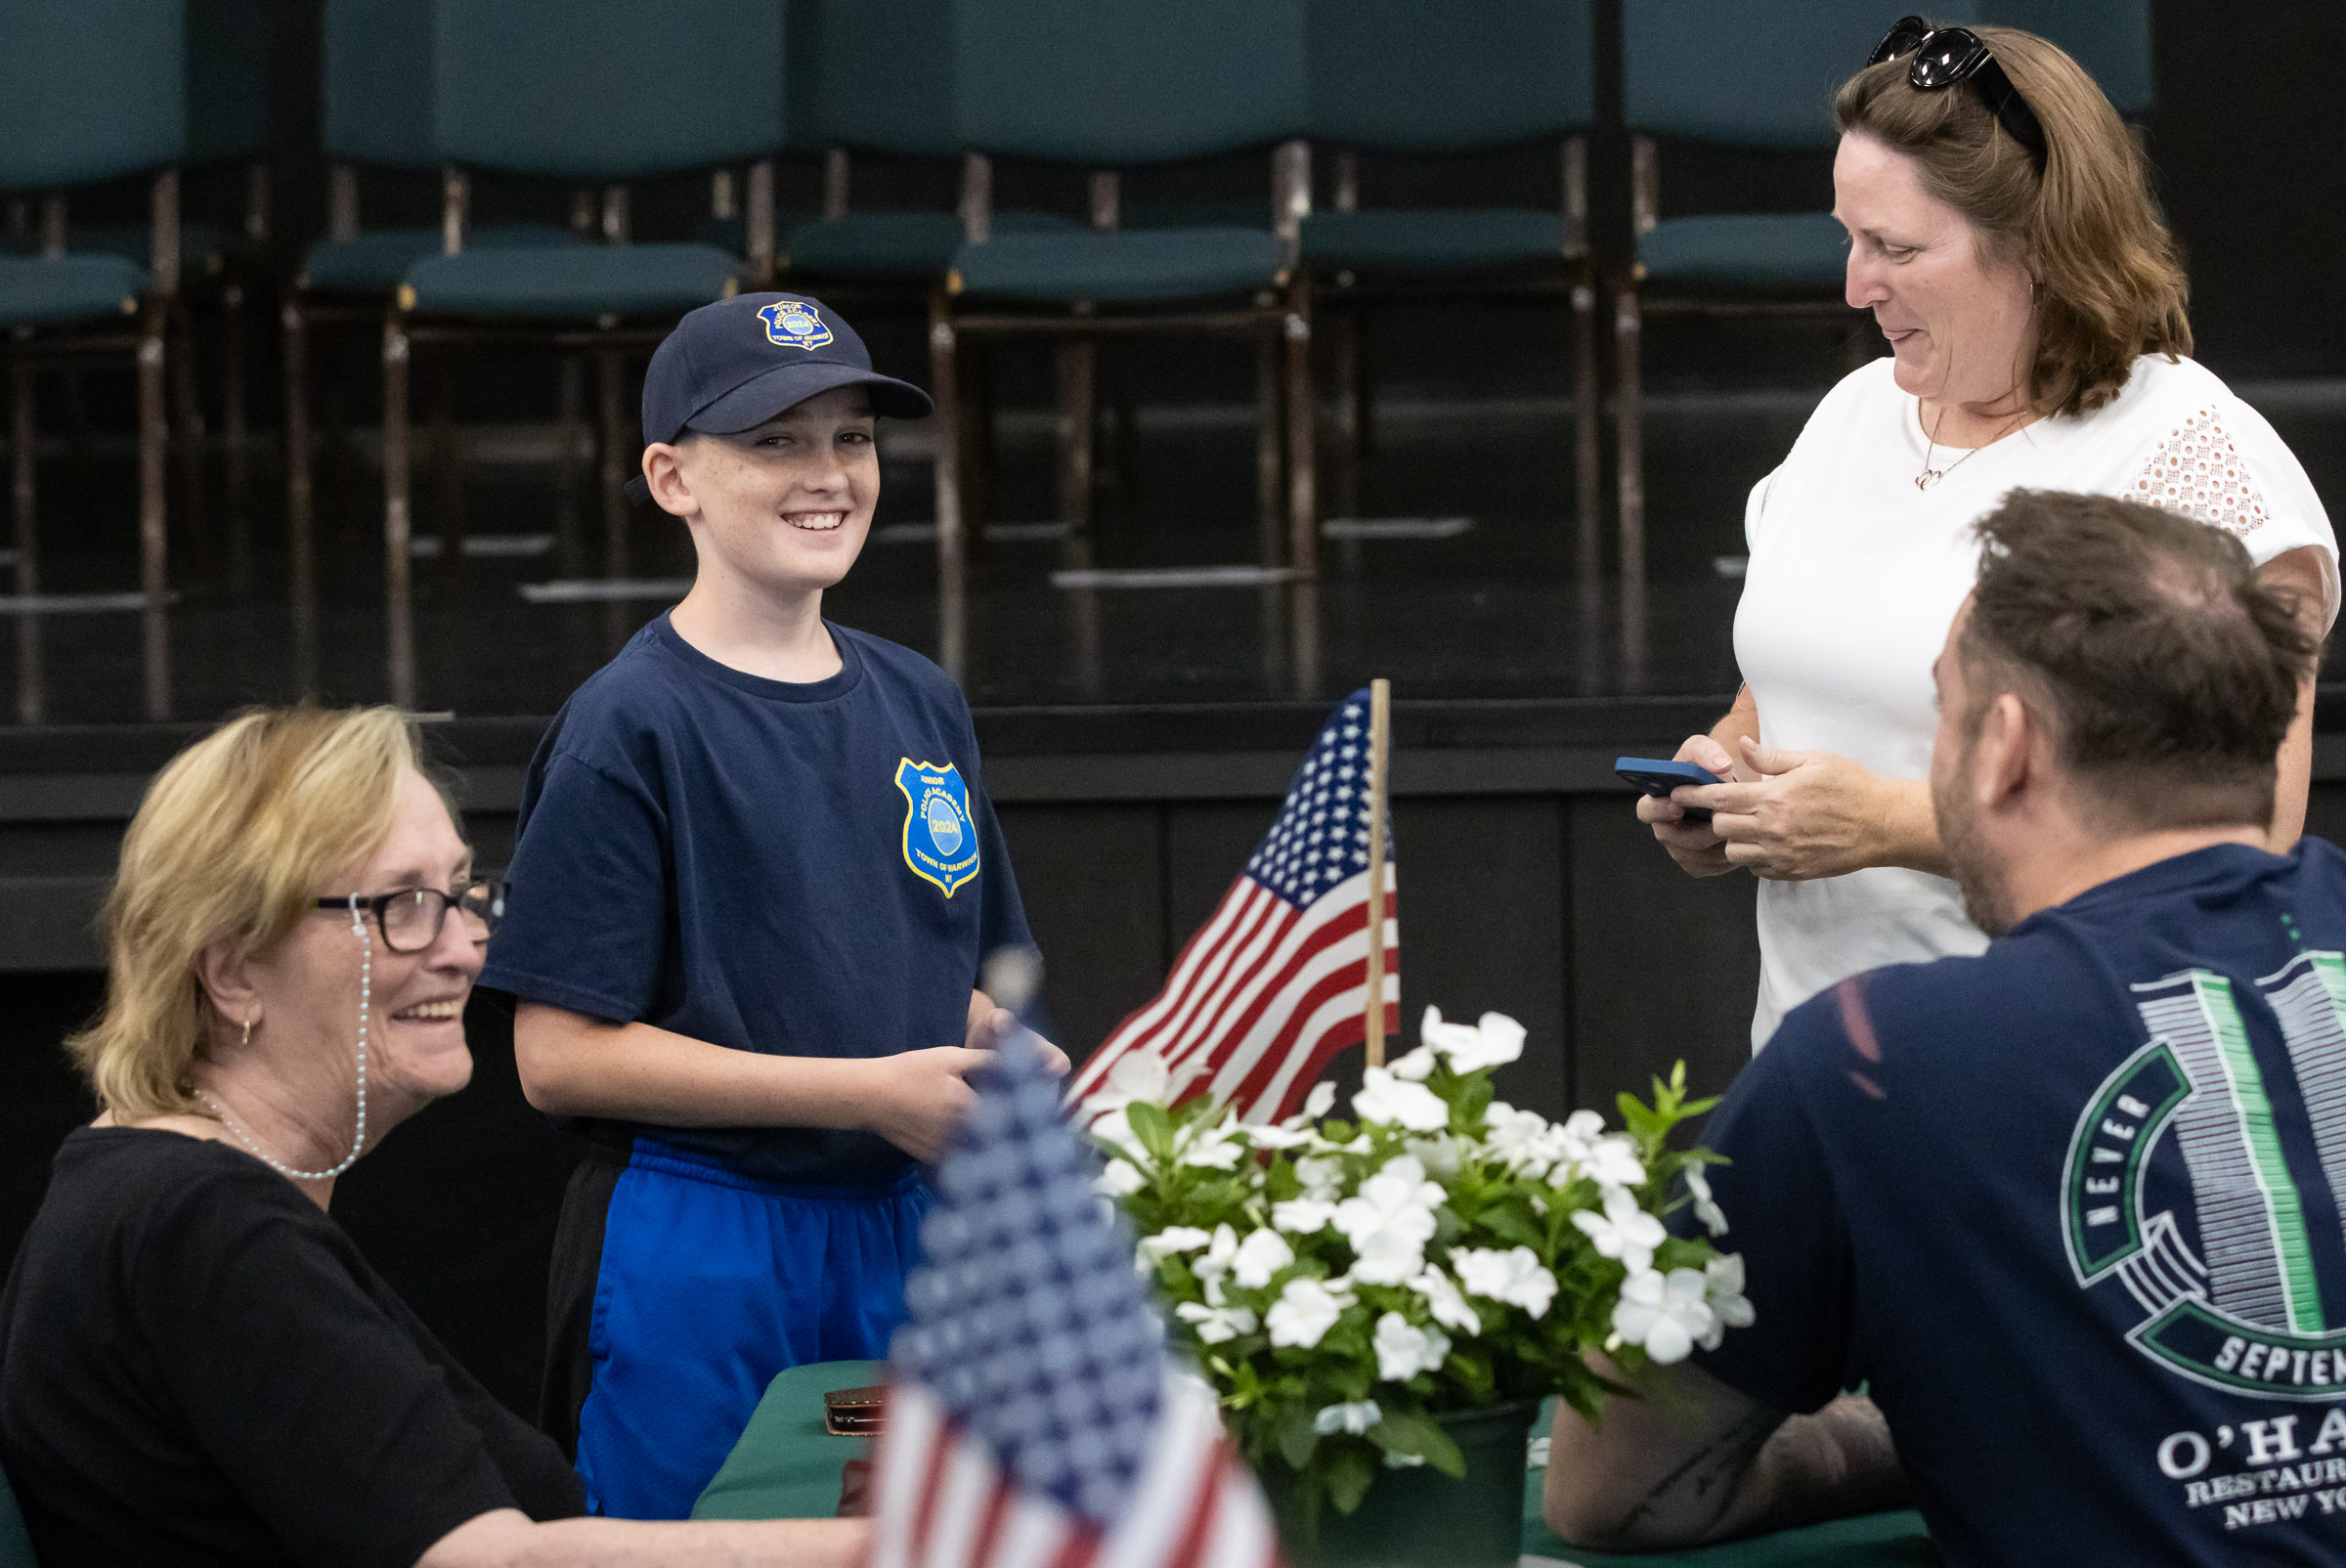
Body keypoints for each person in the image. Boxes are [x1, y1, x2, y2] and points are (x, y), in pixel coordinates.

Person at [1545, 490, 2346, 1564]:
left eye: (1942, 713)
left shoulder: (1877, 1057)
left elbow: (1608, 1491)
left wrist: (1888, 1439)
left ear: (2006, 745)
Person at [0, 706, 866, 1567]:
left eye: (459, 894)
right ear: (232, 971)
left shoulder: (153, 1192)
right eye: (404, 905)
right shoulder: (204, 1225)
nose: (466, 947)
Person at [1638, 19, 2338, 1049]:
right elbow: (1785, 685)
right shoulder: (1851, 414)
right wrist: (1729, 780)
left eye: (1898, 248)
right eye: (1848, 235)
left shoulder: (2193, 458)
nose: (1853, 284)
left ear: (2043, 248)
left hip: (2060, 1083)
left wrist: (1882, 822)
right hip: (1818, 1059)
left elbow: (2245, 830)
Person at [480, 292, 1061, 1521]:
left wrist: (1004, 1056)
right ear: (670, 475)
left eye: (851, 437)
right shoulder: (628, 725)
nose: (828, 474)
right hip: (702, 1239)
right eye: (776, 440)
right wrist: (864, 1091)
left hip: (909, 1224)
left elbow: (946, 974)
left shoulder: (918, 699)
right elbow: (554, 1055)